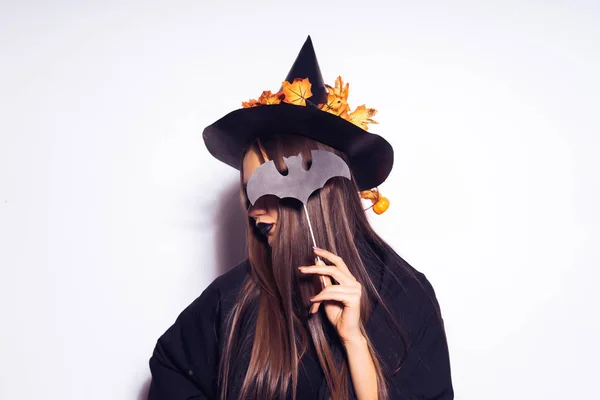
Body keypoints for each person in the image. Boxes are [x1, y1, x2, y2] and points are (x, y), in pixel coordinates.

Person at [147, 36, 453, 400]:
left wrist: (354, 342)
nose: (253, 209)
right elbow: (173, 370)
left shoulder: (402, 296)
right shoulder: (235, 297)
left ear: (321, 187)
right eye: (248, 191)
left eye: (267, 189)